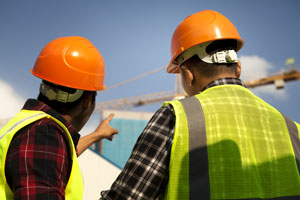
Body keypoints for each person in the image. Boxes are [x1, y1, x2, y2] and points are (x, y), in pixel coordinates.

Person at [100, 10, 300, 199]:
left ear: (188, 73)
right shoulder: (292, 129)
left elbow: (129, 195)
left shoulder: (176, 116)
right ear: (238, 68)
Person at [0, 36, 118, 200]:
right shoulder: (43, 133)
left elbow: (57, 160)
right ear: (87, 101)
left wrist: (97, 135)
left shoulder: (31, 125)